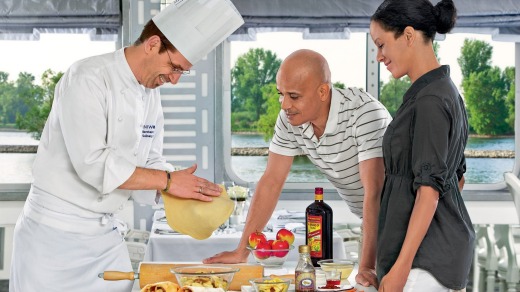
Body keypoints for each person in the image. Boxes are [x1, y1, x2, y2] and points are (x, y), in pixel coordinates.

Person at [9, 1, 243, 291]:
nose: (173, 80)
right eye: (174, 67)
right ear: (153, 44)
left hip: (105, 239)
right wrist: (168, 181)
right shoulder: (87, 78)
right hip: (53, 240)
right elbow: (93, 163)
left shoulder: (150, 95)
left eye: (183, 72)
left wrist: (181, 189)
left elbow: (152, 158)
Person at [204, 49, 392, 289]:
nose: (284, 105)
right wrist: (243, 251)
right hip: (372, 219)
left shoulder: (364, 114)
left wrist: (366, 266)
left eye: (293, 96)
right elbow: (271, 181)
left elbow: (373, 191)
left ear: (323, 91)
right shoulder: (291, 120)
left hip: (399, 220)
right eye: (280, 94)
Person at [369, 0, 475, 291]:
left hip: (425, 265)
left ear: (409, 35)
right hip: (436, 257)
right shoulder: (443, 91)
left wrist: (401, 269)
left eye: (381, 45)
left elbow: (429, 192)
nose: (379, 56)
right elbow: (457, 178)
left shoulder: (429, 101)